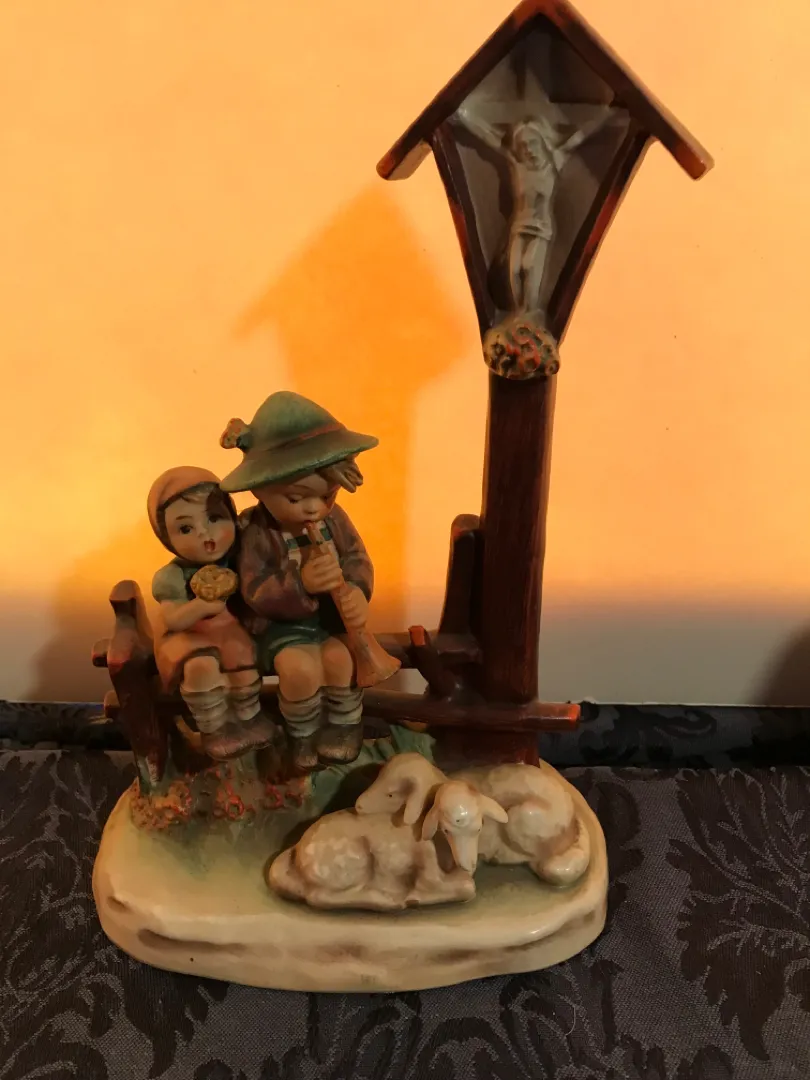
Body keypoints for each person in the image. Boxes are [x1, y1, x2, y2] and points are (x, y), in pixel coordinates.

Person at [219, 392, 378, 774]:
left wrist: (357, 589)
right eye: (296, 497)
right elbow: (254, 588)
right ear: (260, 488)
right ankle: (302, 735)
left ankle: (343, 728)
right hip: (282, 629)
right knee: (298, 671)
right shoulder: (257, 530)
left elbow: (357, 557)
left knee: (341, 661)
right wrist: (300, 583)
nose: (314, 507)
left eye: (327, 495)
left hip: (329, 622)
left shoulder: (334, 520)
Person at [148, 466, 278, 760]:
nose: (205, 534)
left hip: (231, 632)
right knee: (201, 668)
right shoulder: (172, 576)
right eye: (185, 529)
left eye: (215, 518)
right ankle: (215, 727)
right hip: (189, 638)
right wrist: (201, 606)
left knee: (243, 663)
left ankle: (248, 718)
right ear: (166, 537)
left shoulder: (240, 560)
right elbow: (173, 619)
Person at [454, 94, 615, 314]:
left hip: (541, 226)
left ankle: (528, 312)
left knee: (529, 264)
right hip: (519, 225)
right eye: (523, 145)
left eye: (532, 143)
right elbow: (489, 137)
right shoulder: (517, 165)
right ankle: (519, 314)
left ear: (541, 142)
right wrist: (464, 117)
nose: (528, 149)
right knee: (514, 270)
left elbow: (579, 137)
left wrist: (605, 115)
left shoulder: (554, 161)